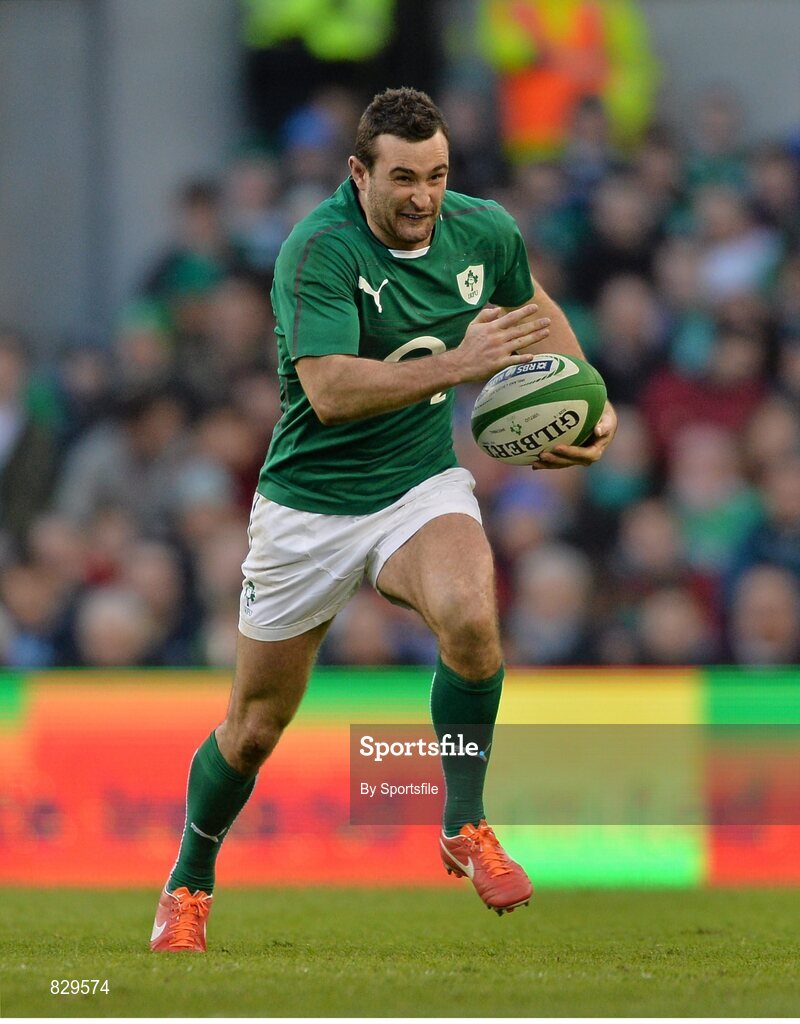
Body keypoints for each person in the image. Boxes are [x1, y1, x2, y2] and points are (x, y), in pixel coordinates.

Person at [150, 87, 617, 953]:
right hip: (308, 508)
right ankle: (189, 881)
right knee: (254, 728)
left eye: (437, 175)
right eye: (403, 177)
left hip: (416, 486)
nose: (423, 197)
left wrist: (589, 397)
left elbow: (536, 312)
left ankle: (465, 826)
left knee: (474, 619)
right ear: (358, 172)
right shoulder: (317, 250)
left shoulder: (485, 232)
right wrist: (459, 361)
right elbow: (328, 391)